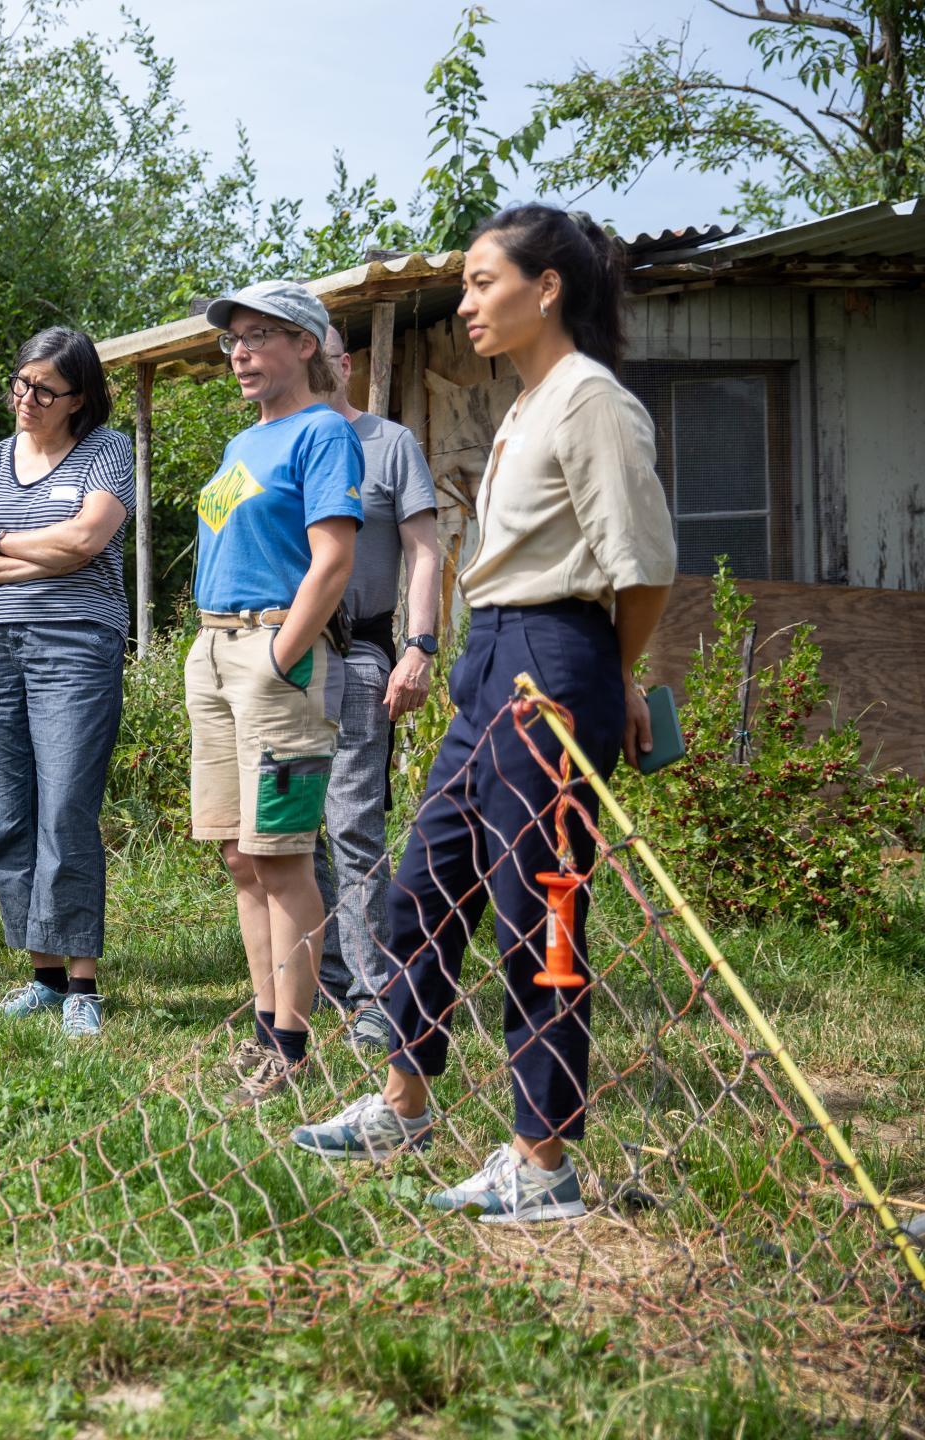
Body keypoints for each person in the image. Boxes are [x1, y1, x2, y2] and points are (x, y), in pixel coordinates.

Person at [291, 205, 675, 1225]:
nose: (465, 303)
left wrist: (609, 677)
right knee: (425, 887)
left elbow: (642, 570)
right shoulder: (526, 403)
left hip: (554, 663)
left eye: (482, 282)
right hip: (492, 660)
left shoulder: (592, 400)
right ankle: (402, 1106)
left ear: (547, 289)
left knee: (538, 911)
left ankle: (541, 1161)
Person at [186, 279, 363, 1101]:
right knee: (238, 853)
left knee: (282, 854)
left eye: (260, 336)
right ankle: (264, 1031)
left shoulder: (324, 432)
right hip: (214, 650)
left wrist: (282, 653)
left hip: (273, 656)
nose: (242, 352)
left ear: (306, 345)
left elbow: (334, 559)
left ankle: (291, 1048)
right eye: (235, 339)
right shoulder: (240, 442)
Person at [0, 328, 133, 1038]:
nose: (27, 398)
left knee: (66, 810)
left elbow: (87, 541)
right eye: (21, 383)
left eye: (45, 391)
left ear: (78, 398)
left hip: (76, 641)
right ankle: (44, 976)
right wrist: (39, 555)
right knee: (5, 814)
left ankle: (83, 984)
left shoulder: (108, 450)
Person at [310, 323, 442, 1049]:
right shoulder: (278, 442)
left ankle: (372, 996)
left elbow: (424, 552)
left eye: (324, 355)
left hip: (361, 651)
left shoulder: (390, 444)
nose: (314, 367)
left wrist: (418, 647)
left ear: (345, 363)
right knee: (290, 831)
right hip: (282, 654)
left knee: (353, 825)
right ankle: (319, 978)